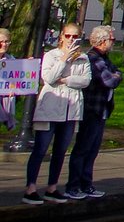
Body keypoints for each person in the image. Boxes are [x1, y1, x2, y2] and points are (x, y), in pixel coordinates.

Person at [21, 23, 91, 203]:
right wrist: (64, 60)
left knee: (60, 150)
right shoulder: (51, 55)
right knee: (41, 148)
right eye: (68, 36)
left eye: (75, 37)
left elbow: (85, 81)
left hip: (71, 109)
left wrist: (66, 79)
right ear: (61, 36)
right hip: (51, 107)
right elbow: (49, 79)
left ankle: (52, 186)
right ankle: (31, 187)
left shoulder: (83, 57)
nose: (71, 40)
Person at [64, 24, 122, 198]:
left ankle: (86, 183)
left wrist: (116, 74)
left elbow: (116, 73)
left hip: (102, 109)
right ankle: (73, 185)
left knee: (93, 149)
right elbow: (109, 80)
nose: (113, 42)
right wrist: (116, 76)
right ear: (102, 41)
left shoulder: (105, 58)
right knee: (83, 147)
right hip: (91, 109)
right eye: (111, 39)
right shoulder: (93, 58)